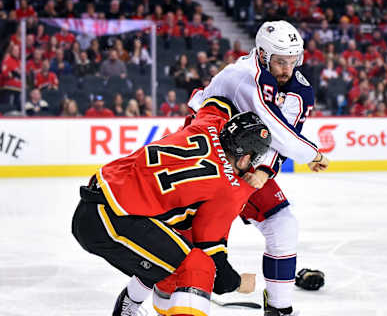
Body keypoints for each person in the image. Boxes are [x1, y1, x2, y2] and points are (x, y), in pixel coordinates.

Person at [72, 96, 272, 316]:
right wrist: (237, 283)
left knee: (168, 255)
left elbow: (217, 100)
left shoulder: (208, 124)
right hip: (112, 219)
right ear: (245, 159)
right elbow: (212, 255)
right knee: (198, 265)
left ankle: (127, 308)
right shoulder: (230, 188)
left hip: (96, 201)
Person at [182, 20, 329, 316]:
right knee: (182, 237)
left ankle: (279, 307)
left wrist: (264, 171)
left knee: (283, 224)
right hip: (205, 161)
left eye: (293, 61)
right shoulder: (243, 76)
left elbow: (280, 135)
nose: (288, 69)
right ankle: (139, 300)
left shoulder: (299, 89)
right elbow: (279, 133)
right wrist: (311, 153)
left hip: (243, 163)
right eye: (280, 61)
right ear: (262, 55)